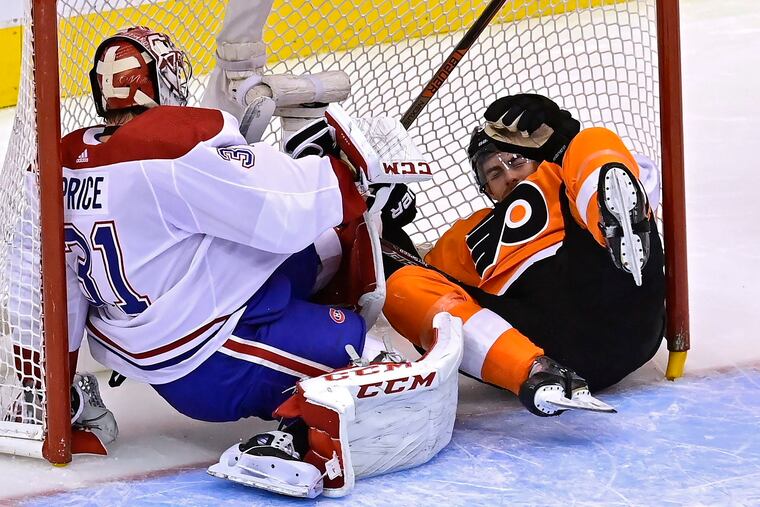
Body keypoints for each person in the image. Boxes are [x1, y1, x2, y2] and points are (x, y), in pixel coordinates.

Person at [56, 26, 461, 498]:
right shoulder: (171, 141)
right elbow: (275, 212)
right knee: (349, 340)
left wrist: (54, 386)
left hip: (155, 326)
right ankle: (295, 425)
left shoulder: (60, 158)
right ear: (156, 82)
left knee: (319, 248)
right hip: (206, 358)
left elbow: (47, 284)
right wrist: (351, 174)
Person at [382, 94, 666, 416]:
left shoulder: (558, 176)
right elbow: (419, 273)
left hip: (614, 288)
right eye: (493, 173)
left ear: (535, 159)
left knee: (590, 140)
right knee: (399, 288)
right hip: (540, 337)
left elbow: (643, 176)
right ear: (486, 189)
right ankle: (533, 372)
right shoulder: (463, 235)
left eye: (516, 161)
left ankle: (616, 226)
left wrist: (563, 145)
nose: (509, 176)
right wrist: (382, 222)